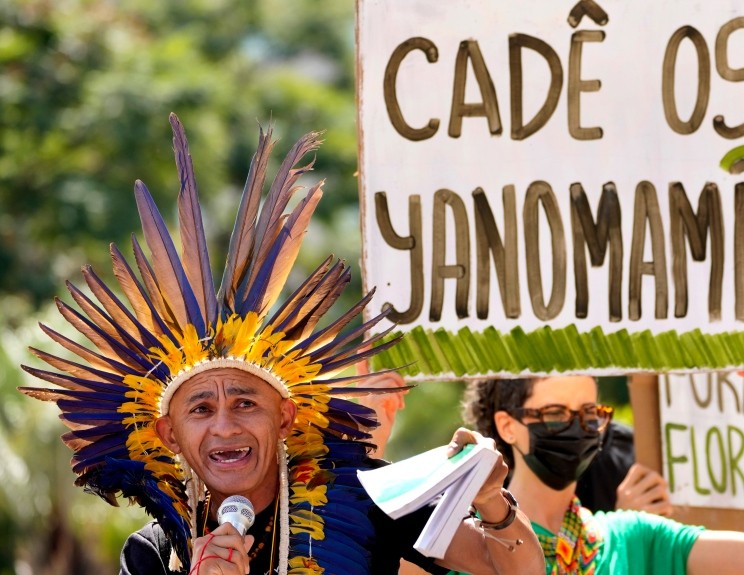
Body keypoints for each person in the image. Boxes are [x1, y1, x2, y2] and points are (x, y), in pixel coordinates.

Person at [19, 115, 543, 575]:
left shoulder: (365, 500)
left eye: (246, 403)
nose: (225, 425)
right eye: (200, 409)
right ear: (169, 434)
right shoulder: (153, 555)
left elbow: (512, 568)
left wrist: (492, 501)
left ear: (286, 417)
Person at [461, 321, 744, 574]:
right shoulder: (468, 544)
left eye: (590, 413)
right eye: (557, 413)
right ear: (507, 426)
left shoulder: (631, 537)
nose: (577, 427)